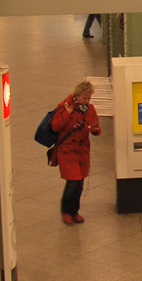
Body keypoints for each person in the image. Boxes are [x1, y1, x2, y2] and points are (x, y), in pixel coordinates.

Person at [51, 81, 100, 224]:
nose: (87, 101)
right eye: (84, 98)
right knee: (73, 181)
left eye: (89, 98)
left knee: (80, 183)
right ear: (76, 96)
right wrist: (67, 114)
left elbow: (96, 126)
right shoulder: (64, 106)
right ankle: (66, 211)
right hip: (67, 150)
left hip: (82, 151)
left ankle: (74, 211)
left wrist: (94, 129)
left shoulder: (90, 109)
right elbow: (55, 126)